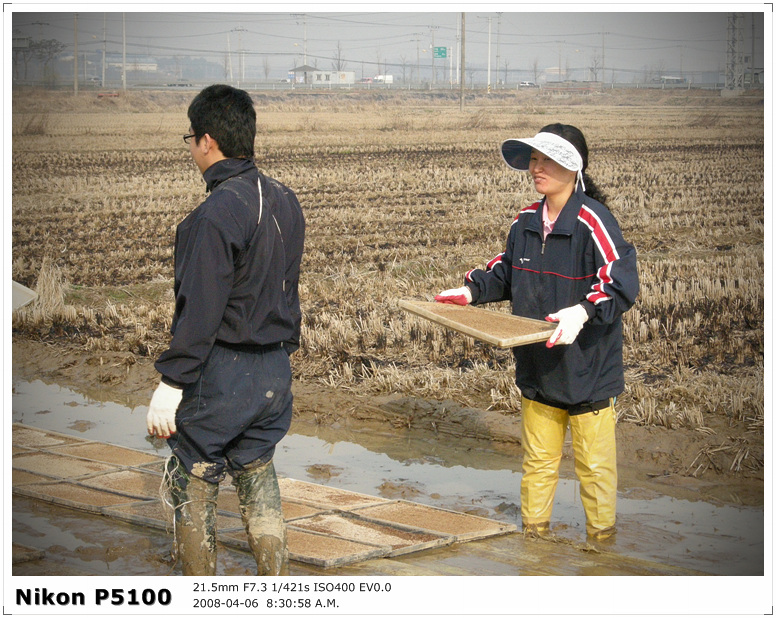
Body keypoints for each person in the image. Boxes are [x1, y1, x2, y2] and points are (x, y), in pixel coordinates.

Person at [435, 123, 638, 540]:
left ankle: (601, 546)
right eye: (533, 159)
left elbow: (620, 281)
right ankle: (535, 541)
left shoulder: (593, 221)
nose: (536, 167)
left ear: (572, 166)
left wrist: (582, 312)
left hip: (588, 370)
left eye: (546, 159)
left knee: (595, 470)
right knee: (538, 463)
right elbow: (506, 271)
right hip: (537, 366)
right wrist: (472, 290)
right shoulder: (526, 220)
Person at [146, 84, 305, 575]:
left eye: (189, 138)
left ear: (207, 141)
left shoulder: (213, 215)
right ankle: (276, 589)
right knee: (257, 468)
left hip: (223, 373)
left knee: (191, 471)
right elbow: (287, 287)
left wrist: (172, 383)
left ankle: (198, 594)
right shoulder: (285, 199)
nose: (191, 147)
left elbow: (200, 312)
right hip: (275, 372)